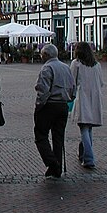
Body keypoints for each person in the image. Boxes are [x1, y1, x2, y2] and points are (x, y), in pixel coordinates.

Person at [34, 43, 76, 179]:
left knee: (41, 135)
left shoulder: (47, 68)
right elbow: (73, 87)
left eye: (41, 54)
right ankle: (56, 166)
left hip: (50, 105)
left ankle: (52, 163)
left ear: (46, 55)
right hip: (63, 105)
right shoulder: (66, 67)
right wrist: (68, 99)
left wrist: (39, 105)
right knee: (58, 137)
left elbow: (43, 89)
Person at [70, 42, 104, 170]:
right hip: (95, 98)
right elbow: (101, 83)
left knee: (84, 127)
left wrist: (70, 96)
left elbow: (71, 81)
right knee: (88, 127)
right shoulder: (97, 65)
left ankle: (89, 158)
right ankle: (83, 152)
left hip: (82, 97)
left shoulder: (76, 64)